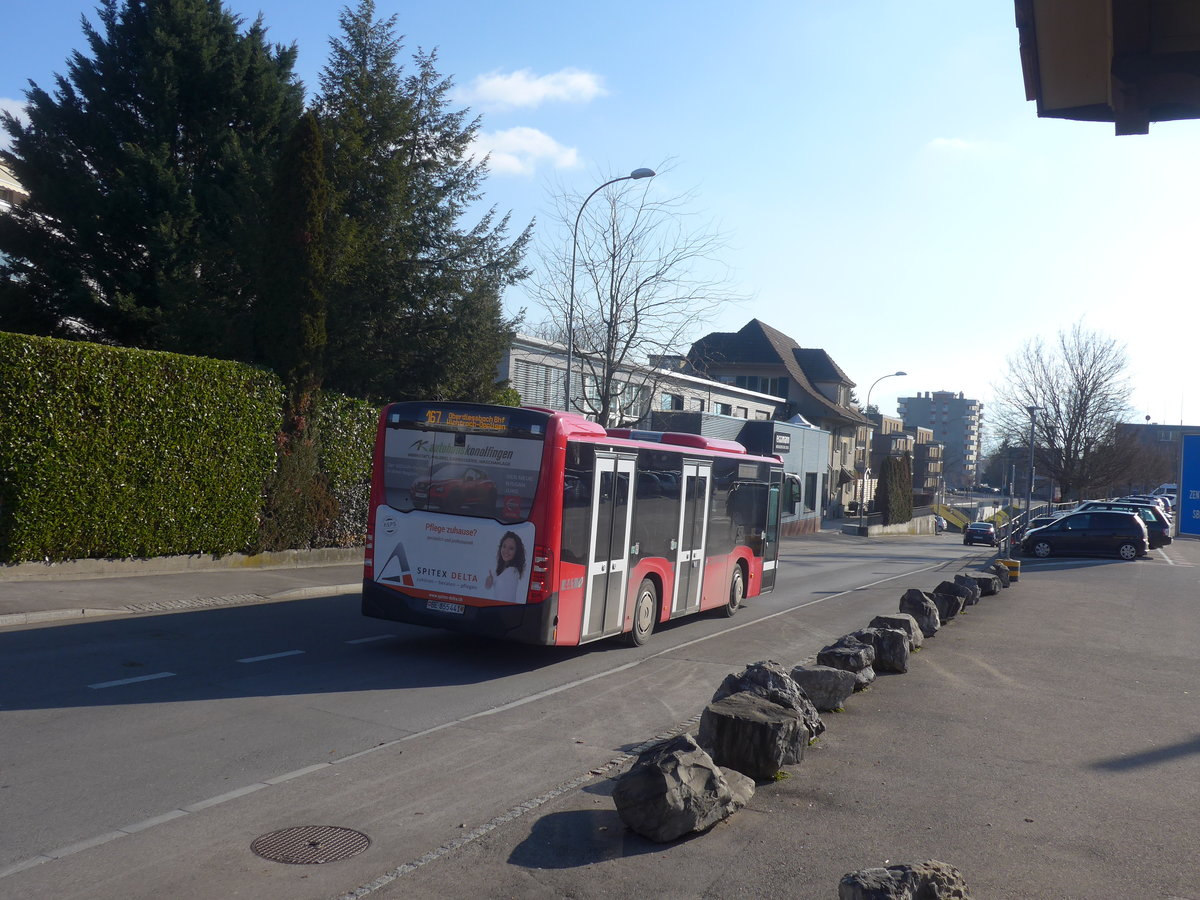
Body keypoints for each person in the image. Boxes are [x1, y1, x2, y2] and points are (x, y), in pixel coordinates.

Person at [485, 531, 526, 604]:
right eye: (504, 546)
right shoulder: (500, 568)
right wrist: (489, 581)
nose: (506, 551)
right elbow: (487, 587)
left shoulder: (512, 571)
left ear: (517, 551)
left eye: (511, 548)